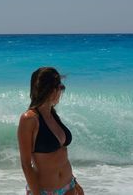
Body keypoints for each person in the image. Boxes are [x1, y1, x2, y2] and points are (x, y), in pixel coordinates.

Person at [17, 67, 84, 195]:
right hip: (44, 191)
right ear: (51, 90)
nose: (61, 92)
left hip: (69, 186)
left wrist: (75, 182)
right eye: (61, 87)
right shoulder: (29, 119)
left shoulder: (52, 114)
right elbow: (26, 165)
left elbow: (62, 157)